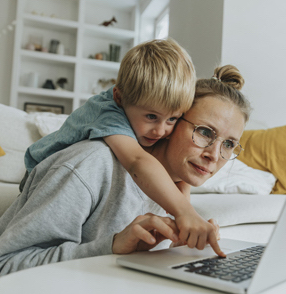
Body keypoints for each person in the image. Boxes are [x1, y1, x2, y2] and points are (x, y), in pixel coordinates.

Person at [0, 65, 251, 276]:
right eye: (205, 132)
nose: (214, 155)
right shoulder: (90, 165)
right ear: (171, 119)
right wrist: (112, 246)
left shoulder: (175, 187)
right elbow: (6, 264)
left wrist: (184, 249)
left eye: (228, 144)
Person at [20, 38, 220, 254]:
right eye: (151, 116)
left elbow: (179, 177)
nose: (161, 131)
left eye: (172, 119)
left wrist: (185, 215)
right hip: (41, 173)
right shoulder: (108, 112)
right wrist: (184, 212)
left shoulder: (146, 116)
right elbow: (137, 161)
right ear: (119, 98)